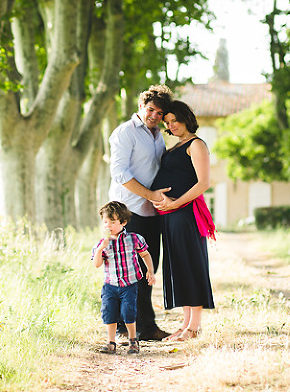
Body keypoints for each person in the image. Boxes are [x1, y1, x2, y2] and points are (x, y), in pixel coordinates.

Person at [108, 85, 173, 341]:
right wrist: (150, 194)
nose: (155, 115)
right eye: (151, 110)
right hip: (129, 211)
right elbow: (120, 173)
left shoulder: (158, 135)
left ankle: (140, 325)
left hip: (152, 212)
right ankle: (133, 328)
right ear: (140, 107)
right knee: (130, 271)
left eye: (159, 112)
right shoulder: (125, 133)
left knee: (148, 269)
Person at [151, 100, 215, 342]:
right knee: (179, 266)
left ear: (186, 118)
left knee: (190, 265)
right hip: (171, 216)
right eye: (167, 123)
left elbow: (203, 183)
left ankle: (194, 328)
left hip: (186, 214)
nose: (171, 125)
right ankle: (186, 324)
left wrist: (175, 203)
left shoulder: (196, 145)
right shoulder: (177, 145)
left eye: (174, 120)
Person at [92, 201, 156, 355]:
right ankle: (111, 342)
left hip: (129, 284)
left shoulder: (134, 239)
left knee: (129, 312)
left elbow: (145, 254)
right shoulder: (102, 244)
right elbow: (97, 264)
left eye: (113, 222)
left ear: (123, 222)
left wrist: (150, 270)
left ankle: (133, 340)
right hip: (110, 285)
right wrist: (101, 249)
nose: (108, 226)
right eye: (105, 222)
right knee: (109, 312)